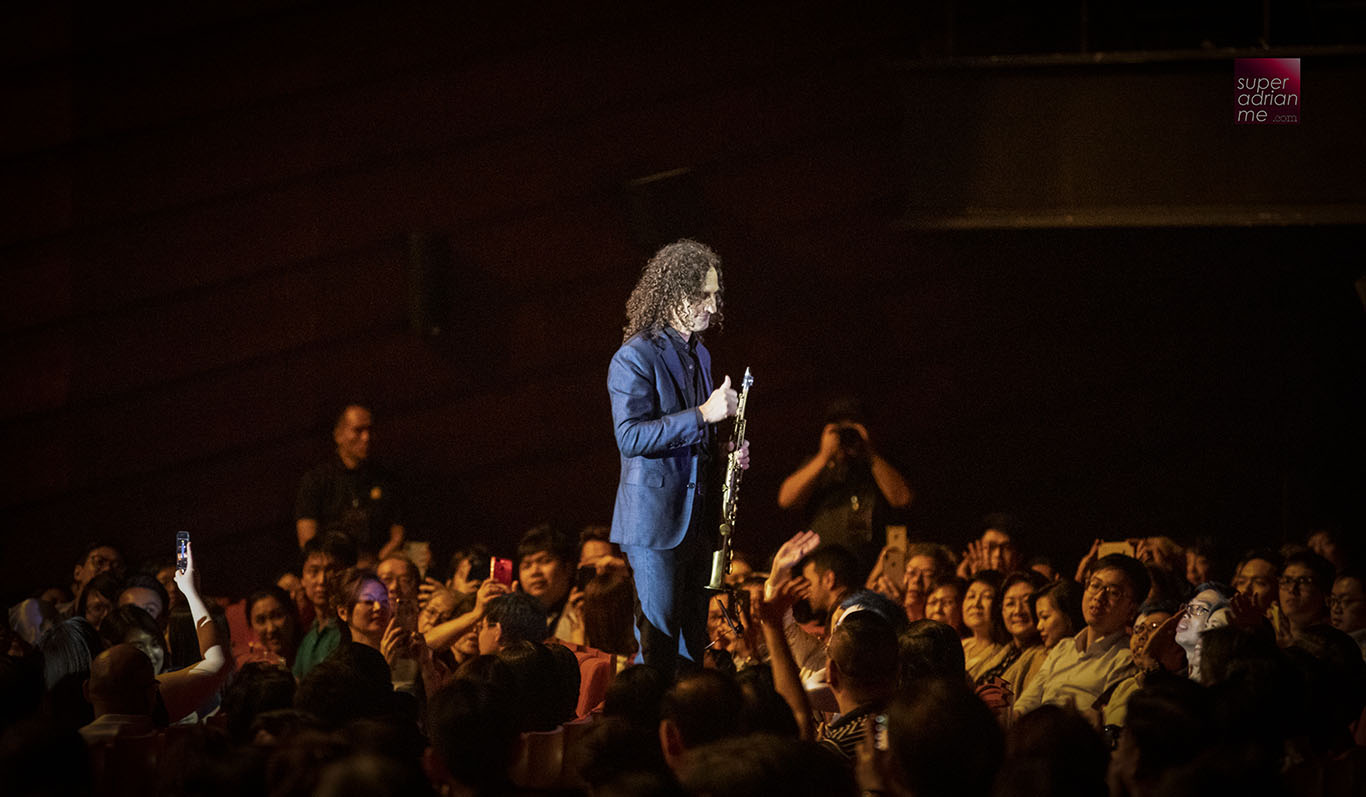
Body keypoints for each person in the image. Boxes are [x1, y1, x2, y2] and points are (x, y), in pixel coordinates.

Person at [607, 239, 748, 676]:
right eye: (701, 294)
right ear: (671, 295)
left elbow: (692, 437)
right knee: (659, 645)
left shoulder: (699, 354)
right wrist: (705, 413)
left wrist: (726, 451)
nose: (711, 304)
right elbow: (630, 437)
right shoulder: (634, 355)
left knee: (691, 644)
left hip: (697, 520)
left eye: (714, 293)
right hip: (656, 524)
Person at [1013, 554, 1149, 725]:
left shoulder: (1125, 658)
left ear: (1132, 609)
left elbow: (1101, 719)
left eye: (1113, 592)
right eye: (1095, 585)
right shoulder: (1064, 647)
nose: (1099, 597)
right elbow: (1028, 701)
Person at [775, 398, 913, 557]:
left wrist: (869, 452)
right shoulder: (817, 466)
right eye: (839, 430)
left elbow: (903, 499)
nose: (846, 436)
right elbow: (786, 500)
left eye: (852, 427)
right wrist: (823, 457)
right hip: (823, 565)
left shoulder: (879, 465)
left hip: (871, 565)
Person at [295, 403, 406, 562]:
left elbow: (398, 535)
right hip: (333, 570)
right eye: (358, 430)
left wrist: (373, 565)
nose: (366, 437)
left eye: (370, 430)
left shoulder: (386, 479)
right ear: (338, 435)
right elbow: (308, 540)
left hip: (377, 569)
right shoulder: (316, 480)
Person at [293, 533, 357, 680]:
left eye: (332, 570)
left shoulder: (352, 629)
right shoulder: (310, 636)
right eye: (314, 571)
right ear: (302, 579)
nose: (322, 580)